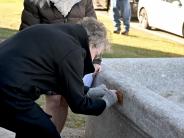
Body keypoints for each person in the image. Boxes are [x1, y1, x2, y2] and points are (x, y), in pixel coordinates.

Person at [0, 17, 118, 138]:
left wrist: (88, 91)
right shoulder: (73, 51)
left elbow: (58, 80)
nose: (93, 59)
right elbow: (79, 105)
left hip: (8, 84)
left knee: (29, 127)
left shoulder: (59, 34)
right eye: (96, 53)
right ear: (93, 44)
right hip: (8, 91)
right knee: (46, 132)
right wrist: (106, 101)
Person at [19, 0, 102, 132]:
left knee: (64, 101)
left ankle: (54, 134)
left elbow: (94, 30)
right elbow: (28, 32)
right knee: (54, 100)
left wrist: (95, 60)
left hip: (74, 58)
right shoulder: (34, 1)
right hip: (48, 60)